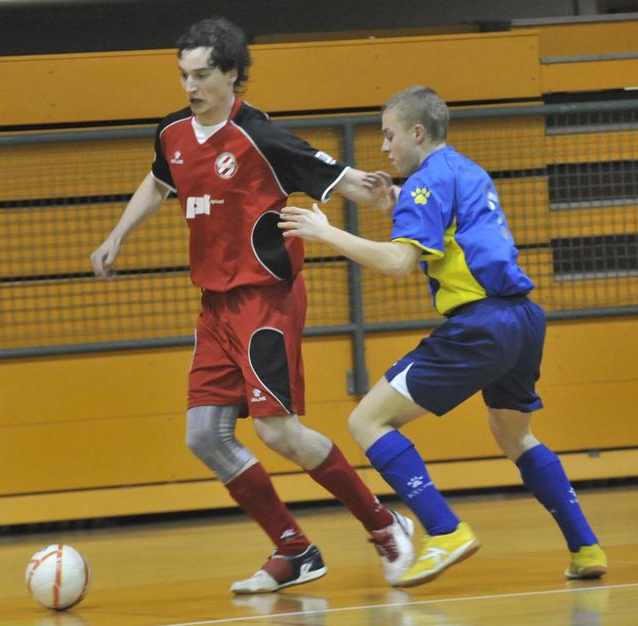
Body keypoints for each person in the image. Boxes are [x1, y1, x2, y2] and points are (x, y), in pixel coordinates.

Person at [90, 17, 413, 593]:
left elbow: (342, 179)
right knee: (203, 436)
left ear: (232, 74)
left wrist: (384, 193)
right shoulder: (172, 132)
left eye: (202, 75)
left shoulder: (261, 136)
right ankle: (295, 550)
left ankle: (384, 524)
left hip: (266, 300)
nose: (190, 86)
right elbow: (159, 181)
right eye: (184, 75)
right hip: (214, 307)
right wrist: (118, 234)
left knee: (279, 433)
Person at [279, 85, 608, 588]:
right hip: (523, 319)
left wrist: (326, 233)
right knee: (515, 435)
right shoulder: (466, 170)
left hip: (481, 324)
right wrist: (396, 204)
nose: (384, 148)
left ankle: (444, 530)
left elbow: (398, 263)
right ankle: (585, 547)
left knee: (367, 421)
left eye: (389, 136)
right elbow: (455, 231)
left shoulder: (425, 183)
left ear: (417, 132)